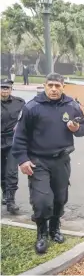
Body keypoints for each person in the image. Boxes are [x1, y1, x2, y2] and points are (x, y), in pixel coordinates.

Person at [11, 73, 84, 254]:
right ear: (44, 86)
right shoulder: (32, 107)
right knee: (42, 201)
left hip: (61, 160)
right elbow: (20, 136)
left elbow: (82, 129)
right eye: (50, 85)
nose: (54, 89)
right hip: (38, 161)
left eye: (57, 86)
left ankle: (55, 229)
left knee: (60, 199)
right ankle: (42, 234)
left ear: (63, 87)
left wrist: (77, 128)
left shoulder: (72, 106)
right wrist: (22, 160)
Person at [1, 78, 24, 214]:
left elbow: (26, 117)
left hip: (11, 141)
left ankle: (11, 200)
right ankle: (5, 193)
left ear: (11, 89)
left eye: (7, 88)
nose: (4, 90)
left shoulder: (19, 103)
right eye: (2, 87)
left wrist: (19, 126)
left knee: (11, 172)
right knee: (1, 172)